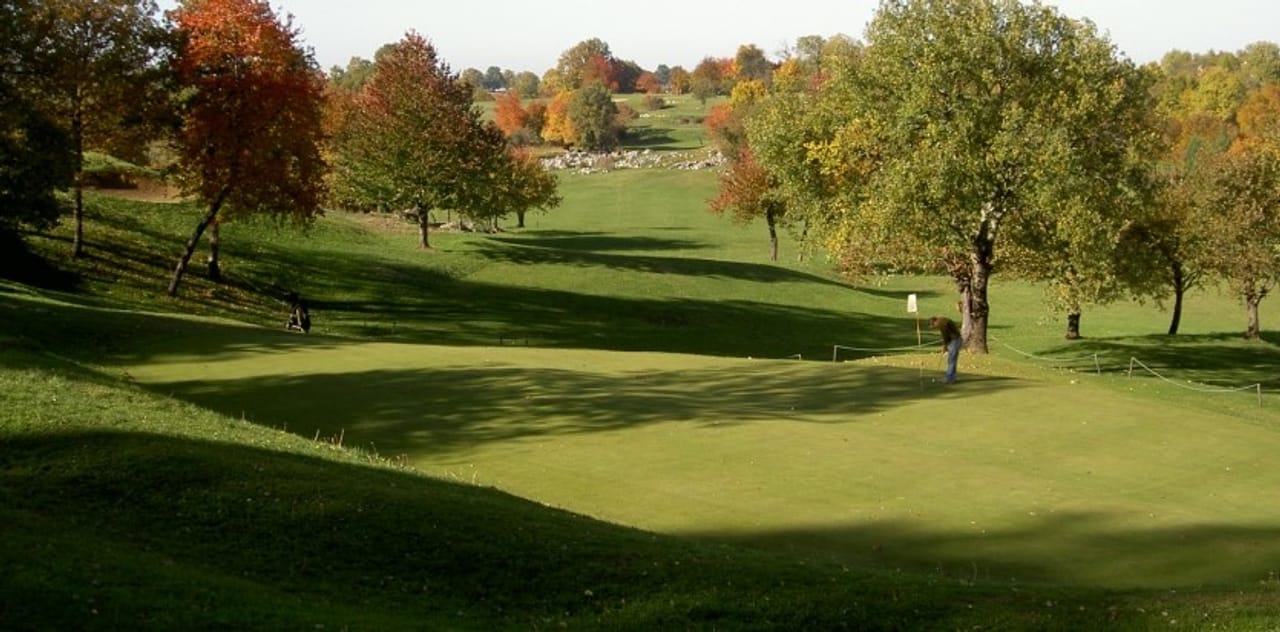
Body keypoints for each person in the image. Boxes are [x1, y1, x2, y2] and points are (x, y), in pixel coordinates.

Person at [929, 315, 962, 384]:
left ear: (934, 322)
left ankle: (949, 379)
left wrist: (944, 347)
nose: (935, 328)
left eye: (933, 327)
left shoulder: (941, 323)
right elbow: (946, 336)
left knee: (951, 360)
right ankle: (952, 378)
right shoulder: (942, 320)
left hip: (955, 340)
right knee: (952, 360)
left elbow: (945, 336)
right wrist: (945, 346)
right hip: (954, 340)